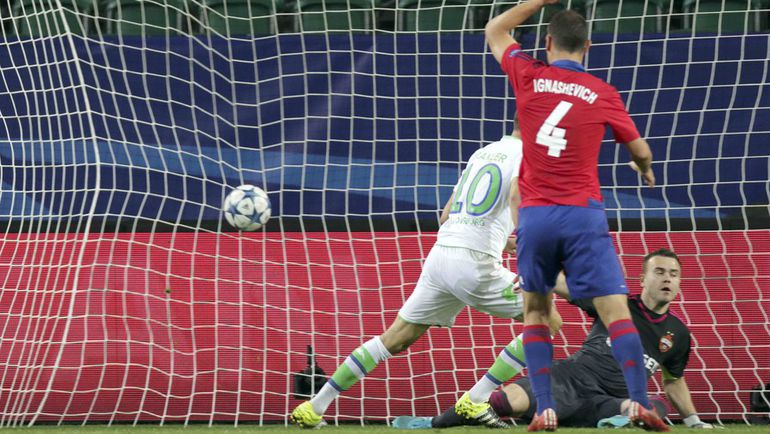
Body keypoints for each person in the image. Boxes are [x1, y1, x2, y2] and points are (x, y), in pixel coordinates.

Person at [290, 123, 562, 428]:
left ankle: (314, 406)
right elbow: (516, 197)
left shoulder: (483, 153)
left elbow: (446, 215)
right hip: (473, 263)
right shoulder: (527, 155)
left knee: (395, 338)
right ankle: (476, 399)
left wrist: (502, 241)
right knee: (547, 319)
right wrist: (527, 252)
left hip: (442, 255)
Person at [481, 2, 666, 431]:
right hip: (583, 215)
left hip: (536, 216)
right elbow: (640, 148)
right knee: (616, 313)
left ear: (547, 42)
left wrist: (538, 1)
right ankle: (639, 403)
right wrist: (643, 166)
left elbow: (494, 29)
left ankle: (544, 409)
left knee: (535, 313)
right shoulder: (603, 92)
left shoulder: (527, 73)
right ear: (588, 46)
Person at [393, 249, 715, 430]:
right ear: (643, 278)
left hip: (609, 400)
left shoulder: (678, 334)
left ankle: (619, 418)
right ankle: (433, 423)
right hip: (567, 381)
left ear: (679, 282)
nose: (667, 279)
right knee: (501, 401)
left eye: (673, 274)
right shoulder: (616, 303)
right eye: (659, 272)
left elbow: (673, 380)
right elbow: (572, 288)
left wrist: (694, 421)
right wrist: (540, 276)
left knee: (651, 405)